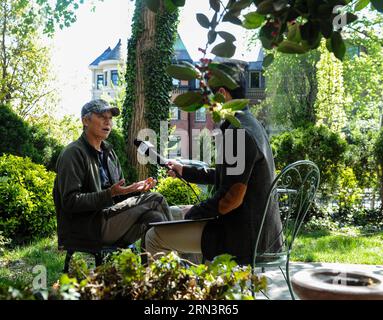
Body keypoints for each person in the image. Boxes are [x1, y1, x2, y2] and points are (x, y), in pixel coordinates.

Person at [145, 61, 283, 265]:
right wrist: (185, 171)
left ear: (222, 94)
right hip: (262, 234)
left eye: (206, 98)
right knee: (172, 213)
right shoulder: (250, 124)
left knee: (154, 236)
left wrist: (192, 213)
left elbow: (230, 200)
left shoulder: (237, 133)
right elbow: (228, 177)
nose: (205, 107)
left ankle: (170, 290)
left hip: (243, 240)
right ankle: (194, 285)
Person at [53, 99, 172, 252]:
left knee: (155, 218)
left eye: (110, 118)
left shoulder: (109, 152)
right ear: (85, 121)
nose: (107, 122)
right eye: (102, 117)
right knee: (156, 199)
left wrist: (134, 190)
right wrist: (110, 193)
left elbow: (118, 195)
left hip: (111, 220)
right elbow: (70, 202)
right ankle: (177, 262)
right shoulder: (73, 153)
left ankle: (150, 272)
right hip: (86, 229)